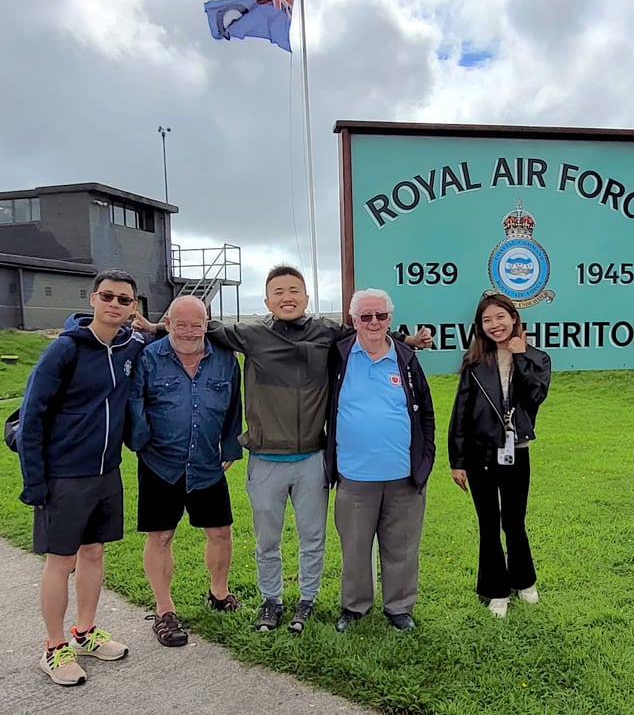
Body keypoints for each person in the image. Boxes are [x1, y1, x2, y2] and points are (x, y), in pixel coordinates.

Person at [137, 265, 430, 633]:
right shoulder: (249, 334)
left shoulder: (327, 332)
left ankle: (307, 599)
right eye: (278, 291)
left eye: (294, 290)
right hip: (264, 460)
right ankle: (271, 600)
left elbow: (368, 329)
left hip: (312, 459)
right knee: (267, 541)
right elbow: (196, 326)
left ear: (307, 298)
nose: (287, 297)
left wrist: (406, 340)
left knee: (312, 539)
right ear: (266, 301)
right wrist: (155, 328)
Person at [17, 269, 142, 686]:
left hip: (106, 472)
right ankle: (54, 648)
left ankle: (85, 632)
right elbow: (32, 416)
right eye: (107, 296)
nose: (114, 304)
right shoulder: (64, 350)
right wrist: (35, 482)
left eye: (124, 300)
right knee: (61, 561)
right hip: (65, 476)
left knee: (93, 554)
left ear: (133, 308)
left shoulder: (130, 347)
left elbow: (170, 338)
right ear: (92, 299)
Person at [127, 295, 243, 646]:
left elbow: (234, 404)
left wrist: (231, 445)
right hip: (160, 464)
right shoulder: (149, 357)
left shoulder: (225, 360)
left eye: (198, 324)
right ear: (168, 322)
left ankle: (219, 594)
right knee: (161, 536)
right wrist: (143, 442)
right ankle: (164, 610)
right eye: (182, 324)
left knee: (220, 532)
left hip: (207, 462)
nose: (190, 331)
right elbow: (135, 403)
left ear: (207, 323)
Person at [325, 289, 435, 633]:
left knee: (401, 548)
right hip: (354, 477)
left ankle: (399, 608)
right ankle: (354, 607)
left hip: (403, 477)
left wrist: (424, 460)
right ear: (353, 319)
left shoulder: (405, 358)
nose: (374, 323)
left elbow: (427, 415)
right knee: (355, 549)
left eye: (381, 316)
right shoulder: (338, 355)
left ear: (390, 318)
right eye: (366, 316)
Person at [448, 291, 551, 618]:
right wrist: (457, 460)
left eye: (500, 317)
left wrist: (521, 356)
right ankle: (495, 590)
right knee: (489, 523)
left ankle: (525, 581)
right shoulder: (474, 361)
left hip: (516, 451)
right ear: (480, 325)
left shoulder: (537, 357)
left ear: (513, 318)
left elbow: (536, 395)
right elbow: (461, 411)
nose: (495, 325)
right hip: (481, 453)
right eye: (487, 320)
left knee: (515, 521)